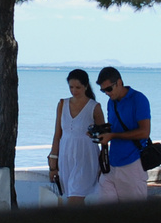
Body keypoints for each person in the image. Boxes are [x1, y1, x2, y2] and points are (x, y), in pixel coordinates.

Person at [92, 67, 152, 203]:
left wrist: (113, 136)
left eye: (109, 89)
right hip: (111, 165)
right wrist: (98, 133)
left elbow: (144, 132)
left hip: (132, 164)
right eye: (103, 90)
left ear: (119, 82)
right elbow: (112, 128)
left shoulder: (138, 99)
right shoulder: (111, 103)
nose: (106, 93)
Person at [49, 69, 103, 204]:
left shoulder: (94, 107)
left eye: (78, 87)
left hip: (86, 156)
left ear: (85, 86)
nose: (74, 91)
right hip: (66, 156)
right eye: (71, 87)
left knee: (75, 198)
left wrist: (103, 163)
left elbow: (103, 137)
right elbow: (57, 135)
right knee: (70, 196)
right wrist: (53, 164)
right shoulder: (62, 104)